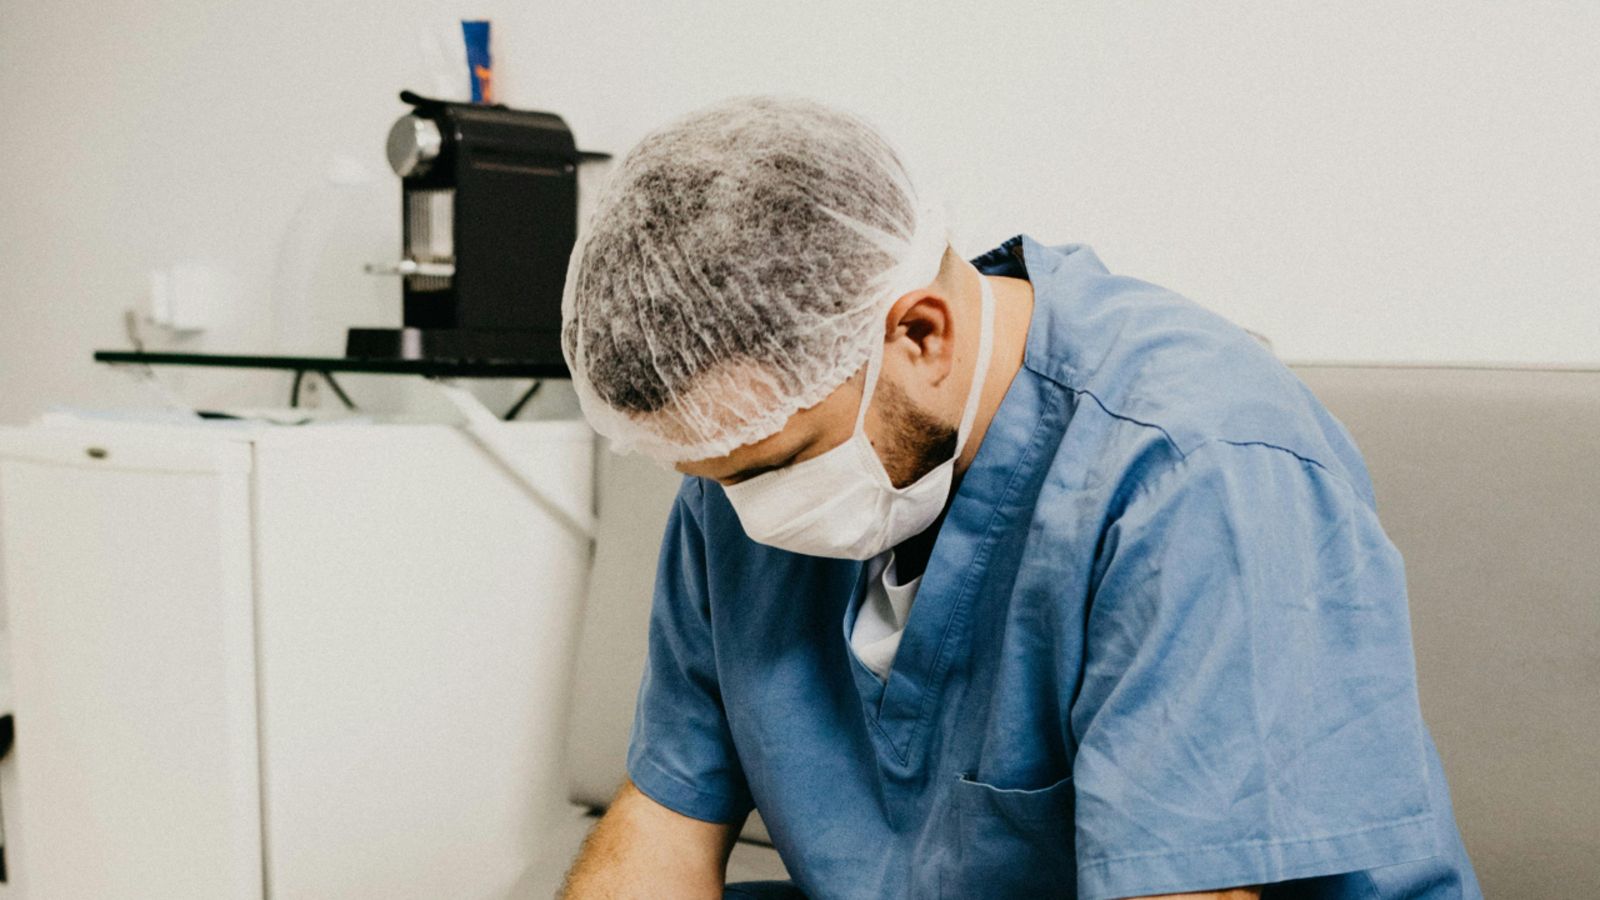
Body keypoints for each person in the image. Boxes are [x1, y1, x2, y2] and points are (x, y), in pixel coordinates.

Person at [557, 95, 1480, 900]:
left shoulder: (1193, 472)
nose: (751, 514)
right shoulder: (743, 464)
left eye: (776, 467)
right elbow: (665, 821)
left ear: (920, 334)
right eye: (716, 480)